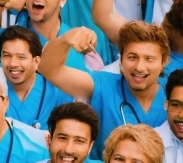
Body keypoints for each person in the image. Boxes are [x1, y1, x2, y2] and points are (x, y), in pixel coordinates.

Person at [39, 21, 170, 151]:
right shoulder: (103, 86)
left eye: (149, 59)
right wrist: (66, 39)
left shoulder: (174, 93)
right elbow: (48, 69)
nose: (139, 67)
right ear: (121, 60)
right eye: (132, 57)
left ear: (164, 62)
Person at [0, 26, 71, 131]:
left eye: (21, 57)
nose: (13, 64)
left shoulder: (58, 94)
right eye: (7, 56)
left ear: (36, 61)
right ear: (0, 58)